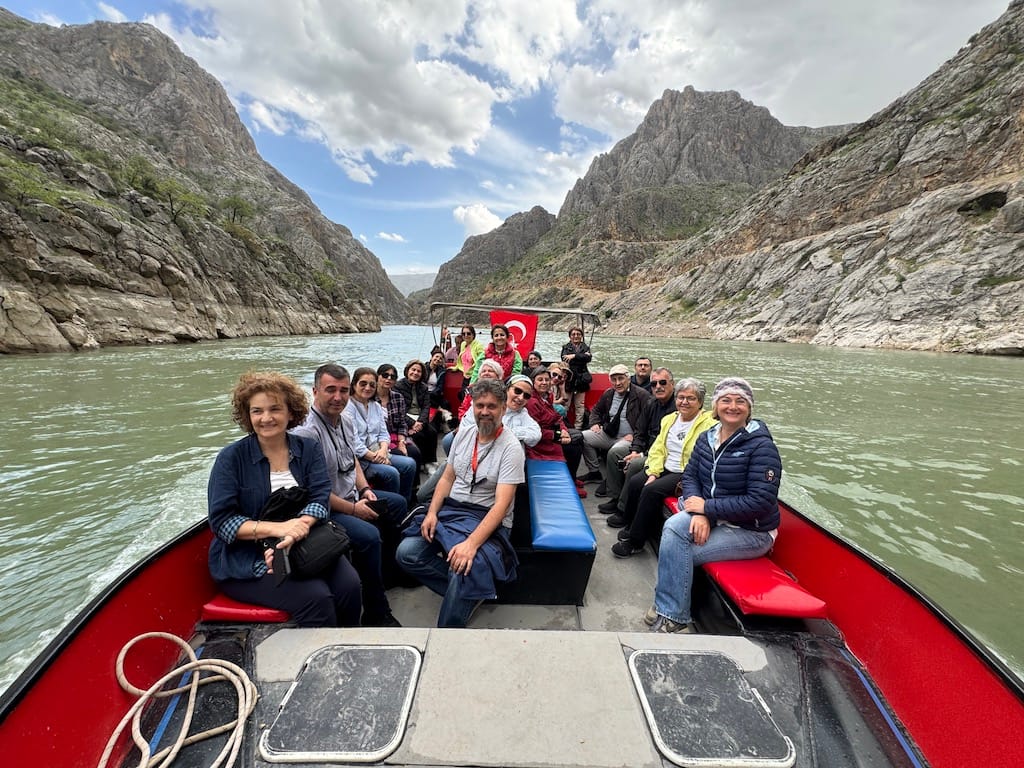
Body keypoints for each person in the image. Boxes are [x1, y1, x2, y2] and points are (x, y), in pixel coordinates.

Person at [207, 371, 362, 627]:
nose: (266, 418)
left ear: (291, 412)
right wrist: (279, 530)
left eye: (275, 409)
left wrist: (299, 528)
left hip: (306, 542)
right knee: (316, 598)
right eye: (257, 411)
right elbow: (222, 522)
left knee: (350, 586)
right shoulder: (231, 458)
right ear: (248, 416)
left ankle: (350, 642)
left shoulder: (308, 449)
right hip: (248, 557)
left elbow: (320, 496)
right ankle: (323, 652)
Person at [646, 377, 782, 633]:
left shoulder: (762, 447)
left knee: (678, 551)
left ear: (749, 409)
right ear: (716, 406)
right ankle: (671, 609)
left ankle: (672, 614)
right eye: (726, 400)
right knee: (673, 527)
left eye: (740, 401)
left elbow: (760, 501)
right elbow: (691, 477)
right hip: (713, 515)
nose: (733, 406)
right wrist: (700, 513)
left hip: (750, 531)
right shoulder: (707, 437)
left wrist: (706, 509)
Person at [396, 378, 525, 627]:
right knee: (407, 553)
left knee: (461, 568)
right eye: (479, 405)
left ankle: (448, 629)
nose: (484, 412)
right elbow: (447, 478)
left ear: (503, 408)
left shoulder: (511, 448)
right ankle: (469, 594)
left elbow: (501, 506)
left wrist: (471, 544)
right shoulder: (464, 434)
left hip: (487, 517)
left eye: (491, 406)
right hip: (453, 511)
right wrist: (432, 513)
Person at [292, 364, 405, 625]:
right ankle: (376, 610)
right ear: (315, 391)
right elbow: (312, 492)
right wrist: (354, 509)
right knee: (369, 536)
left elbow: (352, 460)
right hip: (326, 509)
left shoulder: (346, 420)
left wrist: (364, 489)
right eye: (330, 390)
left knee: (397, 505)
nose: (338, 397)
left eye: (343, 391)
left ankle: (389, 573)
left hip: (352, 495)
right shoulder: (307, 434)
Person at [609, 378, 716, 556]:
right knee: (636, 482)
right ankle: (631, 524)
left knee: (651, 490)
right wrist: (653, 472)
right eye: (681, 397)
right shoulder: (669, 419)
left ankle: (636, 542)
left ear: (700, 402)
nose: (684, 402)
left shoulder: (709, 423)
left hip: (685, 472)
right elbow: (658, 448)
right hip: (665, 466)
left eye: (691, 398)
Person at [598, 367, 676, 514]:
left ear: (672, 384)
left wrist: (640, 454)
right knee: (614, 454)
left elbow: (666, 443)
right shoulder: (651, 404)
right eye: (653, 384)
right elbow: (640, 431)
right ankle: (615, 496)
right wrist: (635, 450)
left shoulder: (678, 408)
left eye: (662, 382)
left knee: (634, 464)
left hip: (661, 454)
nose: (658, 387)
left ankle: (623, 508)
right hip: (645, 447)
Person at [343, 367, 418, 502]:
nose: (368, 388)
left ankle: (405, 502)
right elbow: (353, 442)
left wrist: (383, 450)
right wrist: (376, 458)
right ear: (354, 385)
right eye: (363, 383)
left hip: (378, 451)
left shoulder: (375, 406)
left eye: (372, 385)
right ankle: (390, 505)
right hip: (360, 459)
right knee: (391, 473)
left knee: (409, 464)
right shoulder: (348, 408)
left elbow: (383, 433)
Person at [579, 363, 652, 484]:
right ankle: (594, 472)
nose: (617, 383)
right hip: (610, 433)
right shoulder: (609, 393)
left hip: (629, 438)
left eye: (621, 378)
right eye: (614, 380)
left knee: (614, 452)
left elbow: (649, 421)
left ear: (628, 378)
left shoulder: (642, 395)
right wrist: (594, 423)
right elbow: (596, 410)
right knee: (582, 437)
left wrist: (635, 435)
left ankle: (612, 484)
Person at [525, 365, 584, 483]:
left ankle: (571, 476)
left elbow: (557, 417)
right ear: (533, 382)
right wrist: (557, 435)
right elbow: (535, 431)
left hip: (551, 432)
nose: (544, 382)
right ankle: (571, 479)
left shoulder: (547, 396)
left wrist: (564, 430)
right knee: (574, 446)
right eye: (540, 380)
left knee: (578, 436)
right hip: (540, 441)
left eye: (547, 380)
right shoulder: (532, 402)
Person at [376, 363, 423, 477]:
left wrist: (401, 442)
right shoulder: (371, 399)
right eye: (385, 375)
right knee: (401, 455)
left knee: (415, 452)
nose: (388, 379)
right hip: (378, 440)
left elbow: (402, 423)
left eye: (392, 377)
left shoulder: (398, 397)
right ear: (377, 376)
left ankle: (414, 486)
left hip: (396, 436)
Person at [394, 359, 438, 467]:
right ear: (407, 370)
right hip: (406, 418)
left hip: (419, 418)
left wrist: (420, 422)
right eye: (413, 370)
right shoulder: (398, 386)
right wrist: (412, 424)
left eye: (419, 371)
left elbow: (426, 406)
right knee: (418, 435)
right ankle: (421, 462)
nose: (415, 373)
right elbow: (399, 410)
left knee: (432, 432)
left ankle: (430, 461)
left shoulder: (423, 387)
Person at [560, 327, 593, 428]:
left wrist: (574, 356)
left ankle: (578, 427)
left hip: (581, 380)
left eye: (578, 334)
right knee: (565, 404)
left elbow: (588, 358)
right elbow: (564, 358)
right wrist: (582, 356)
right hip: (569, 379)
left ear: (581, 336)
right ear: (570, 336)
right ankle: (563, 426)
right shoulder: (566, 347)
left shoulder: (585, 347)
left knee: (580, 406)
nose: (576, 336)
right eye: (573, 334)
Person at [501, 374, 541, 447]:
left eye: (526, 396)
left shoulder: (522, 413)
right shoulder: (490, 407)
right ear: (507, 389)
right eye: (517, 391)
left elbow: (536, 435)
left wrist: (509, 432)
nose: (521, 398)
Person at [457, 324, 484, 391]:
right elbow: (462, 360)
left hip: (475, 376)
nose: (466, 335)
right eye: (463, 334)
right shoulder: (463, 344)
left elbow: (482, 361)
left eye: (468, 333)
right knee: (462, 394)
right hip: (465, 376)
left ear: (473, 335)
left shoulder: (478, 345)